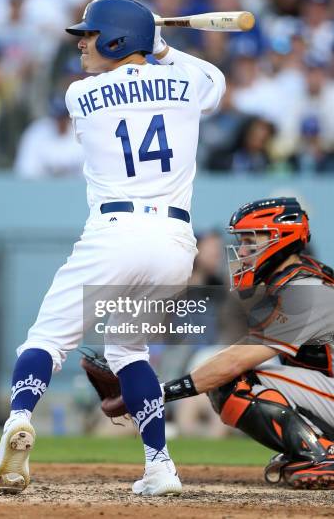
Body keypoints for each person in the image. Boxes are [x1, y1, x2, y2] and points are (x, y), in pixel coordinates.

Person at [0, 0, 225, 496]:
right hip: (173, 244)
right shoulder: (187, 85)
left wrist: (150, 45)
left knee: (47, 340)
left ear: (118, 39)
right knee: (127, 351)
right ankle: (160, 466)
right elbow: (216, 83)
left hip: (114, 234)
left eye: (92, 34)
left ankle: (16, 420)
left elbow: (129, 84)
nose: (82, 43)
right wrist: (164, 49)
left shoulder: (81, 94)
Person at [99, 196, 334, 489]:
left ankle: (321, 454)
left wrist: (157, 394)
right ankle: (315, 447)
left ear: (281, 238)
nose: (243, 250)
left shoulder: (305, 288)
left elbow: (235, 361)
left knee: (231, 379)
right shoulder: (291, 279)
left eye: (251, 240)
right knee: (228, 375)